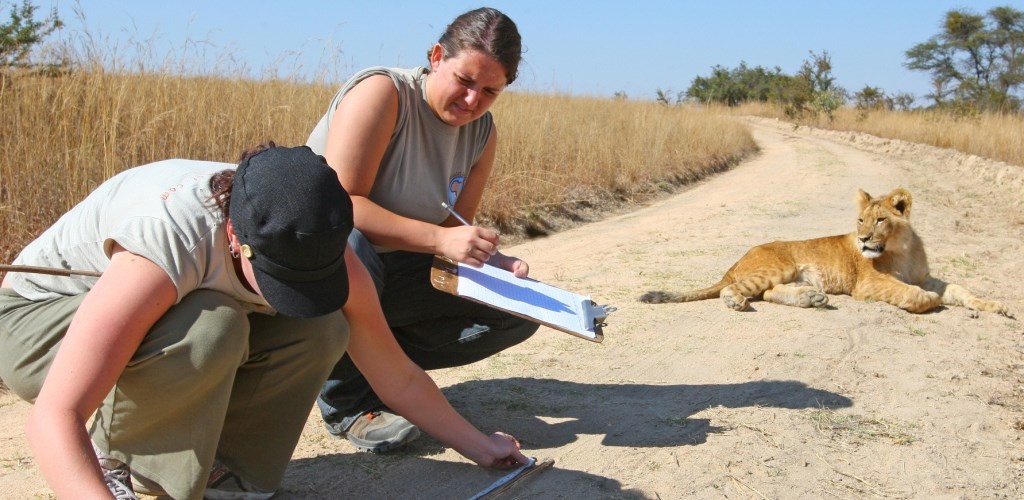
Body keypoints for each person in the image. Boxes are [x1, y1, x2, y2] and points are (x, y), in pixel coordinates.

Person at [0, 144, 527, 500]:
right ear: (235, 237)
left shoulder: (314, 234)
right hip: (39, 325)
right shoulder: (168, 241)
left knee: (321, 326)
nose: (293, 290)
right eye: (278, 279)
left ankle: (227, 477)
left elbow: (396, 375)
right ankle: (120, 462)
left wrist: (481, 446)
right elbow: (55, 415)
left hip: (156, 320)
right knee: (214, 325)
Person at [306, 6, 540, 453]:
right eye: (465, 81)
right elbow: (341, 206)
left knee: (519, 309)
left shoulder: (482, 133)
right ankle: (351, 405)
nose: (472, 101)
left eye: (490, 91)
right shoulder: (382, 93)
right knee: (350, 244)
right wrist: (441, 240)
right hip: (328, 267)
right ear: (436, 56)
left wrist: (490, 258)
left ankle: (388, 375)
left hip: (397, 272)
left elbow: (455, 223)